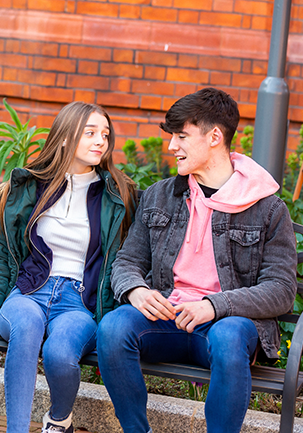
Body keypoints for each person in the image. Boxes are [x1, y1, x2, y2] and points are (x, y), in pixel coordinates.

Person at [96, 87, 298, 433]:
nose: (172, 146)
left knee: (230, 337)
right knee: (114, 328)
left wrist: (215, 305)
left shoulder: (267, 208)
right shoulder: (162, 194)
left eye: (182, 136)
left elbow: (280, 290)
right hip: (166, 320)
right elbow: (127, 261)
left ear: (215, 137)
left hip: (224, 326)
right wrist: (136, 292)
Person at [0, 101, 137, 433]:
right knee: (28, 325)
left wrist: (111, 325)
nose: (100, 141)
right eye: (89, 132)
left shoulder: (117, 195)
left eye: (105, 134)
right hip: (29, 291)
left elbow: (124, 261)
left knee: (61, 353)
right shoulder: (27, 187)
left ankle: (59, 419)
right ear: (63, 138)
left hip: (79, 300)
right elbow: (2, 254)